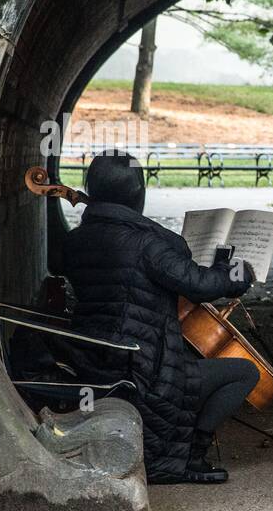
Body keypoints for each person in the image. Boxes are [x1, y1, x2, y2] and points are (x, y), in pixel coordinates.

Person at [61, 151, 259, 485]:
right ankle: (189, 458)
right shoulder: (148, 244)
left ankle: (186, 452)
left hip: (94, 360)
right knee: (243, 372)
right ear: (138, 195)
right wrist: (238, 272)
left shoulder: (76, 240)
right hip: (144, 374)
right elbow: (201, 284)